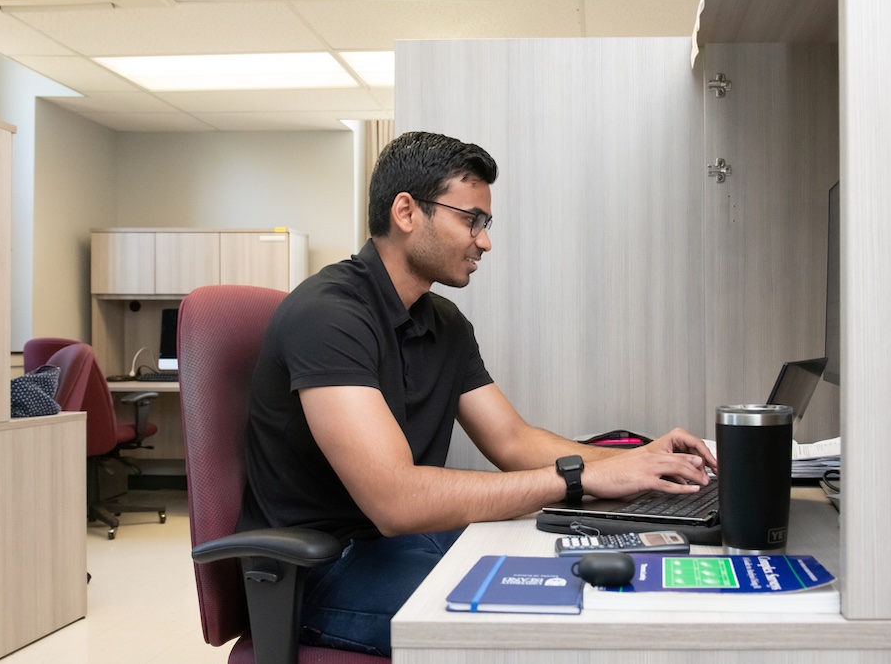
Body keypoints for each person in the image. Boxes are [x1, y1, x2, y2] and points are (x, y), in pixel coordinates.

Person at [240, 131, 717, 656]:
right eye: (472, 219)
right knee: (551, 628)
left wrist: (631, 462)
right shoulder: (328, 316)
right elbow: (395, 501)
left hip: (397, 547)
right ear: (406, 212)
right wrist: (579, 477)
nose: (484, 241)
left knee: (580, 568)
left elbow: (512, 440)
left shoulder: (443, 322)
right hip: (323, 570)